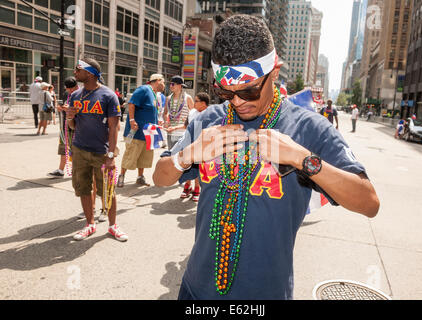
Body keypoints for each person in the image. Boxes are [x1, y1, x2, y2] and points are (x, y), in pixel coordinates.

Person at [153, 14, 380, 300]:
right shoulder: (208, 121)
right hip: (196, 291)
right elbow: (160, 178)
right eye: (225, 92)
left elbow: (368, 202)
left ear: (274, 71)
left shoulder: (308, 129)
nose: (237, 101)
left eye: (248, 91)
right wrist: (187, 155)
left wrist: (301, 158)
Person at [66, 58, 128, 242]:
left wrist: (110, 156)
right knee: (83, 188)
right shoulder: (76, 95)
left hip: (102, 152)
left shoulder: (108, 96)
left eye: (78, 70)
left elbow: (114, 128)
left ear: (90, 73)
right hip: (80, 150)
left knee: (108, 191)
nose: (75, 73)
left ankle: (112, 226)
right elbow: (72, 126)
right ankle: (90, 224)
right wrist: (70, 117)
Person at [117, 73, 165, 188]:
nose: (164, 85)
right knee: (130, 154)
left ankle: (140, 177)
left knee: (145, 156)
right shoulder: (144, 89)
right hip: (136, 131)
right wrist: (132, 120)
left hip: (148, 133)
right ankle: (122, 176)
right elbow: (132, 103)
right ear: (157, 80)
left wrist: (157, 122)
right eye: (163, 82)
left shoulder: (154, 94)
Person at [179, 92, 210, 202]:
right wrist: (172, 129)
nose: (194, 103)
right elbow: (186, 126)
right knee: (187, 166)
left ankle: (197, 189)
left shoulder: (210, 114)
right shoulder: (192, 112)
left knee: (197, 167)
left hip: (202, 145)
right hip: (188, 142)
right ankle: (187, 186)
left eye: (196, 101)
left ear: (203, 103)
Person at [47, 77, 79, 178]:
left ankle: (76, 171)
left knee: (75, 150)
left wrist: (69, 109)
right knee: (63, 148)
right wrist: (60, 108)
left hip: (76, 126)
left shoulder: (81, 94)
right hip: (65, 125)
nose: (69, 91)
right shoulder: (66, 94)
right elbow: (62, 105)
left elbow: (81, 110)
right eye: (67, 89)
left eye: (71, 89)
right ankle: (60, 170)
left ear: (76, 86)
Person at [163, 75, 194, 149]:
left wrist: (187, 120)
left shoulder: (187, 98)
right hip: (171, 132)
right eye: (170, 84)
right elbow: (165, 113)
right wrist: (166, 121)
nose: (171, 86)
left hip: (183, 132)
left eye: (173, 84)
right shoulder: (168, 98)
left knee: (182, 156)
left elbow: (194, 114)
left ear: (180, 86)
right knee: (171, 155)